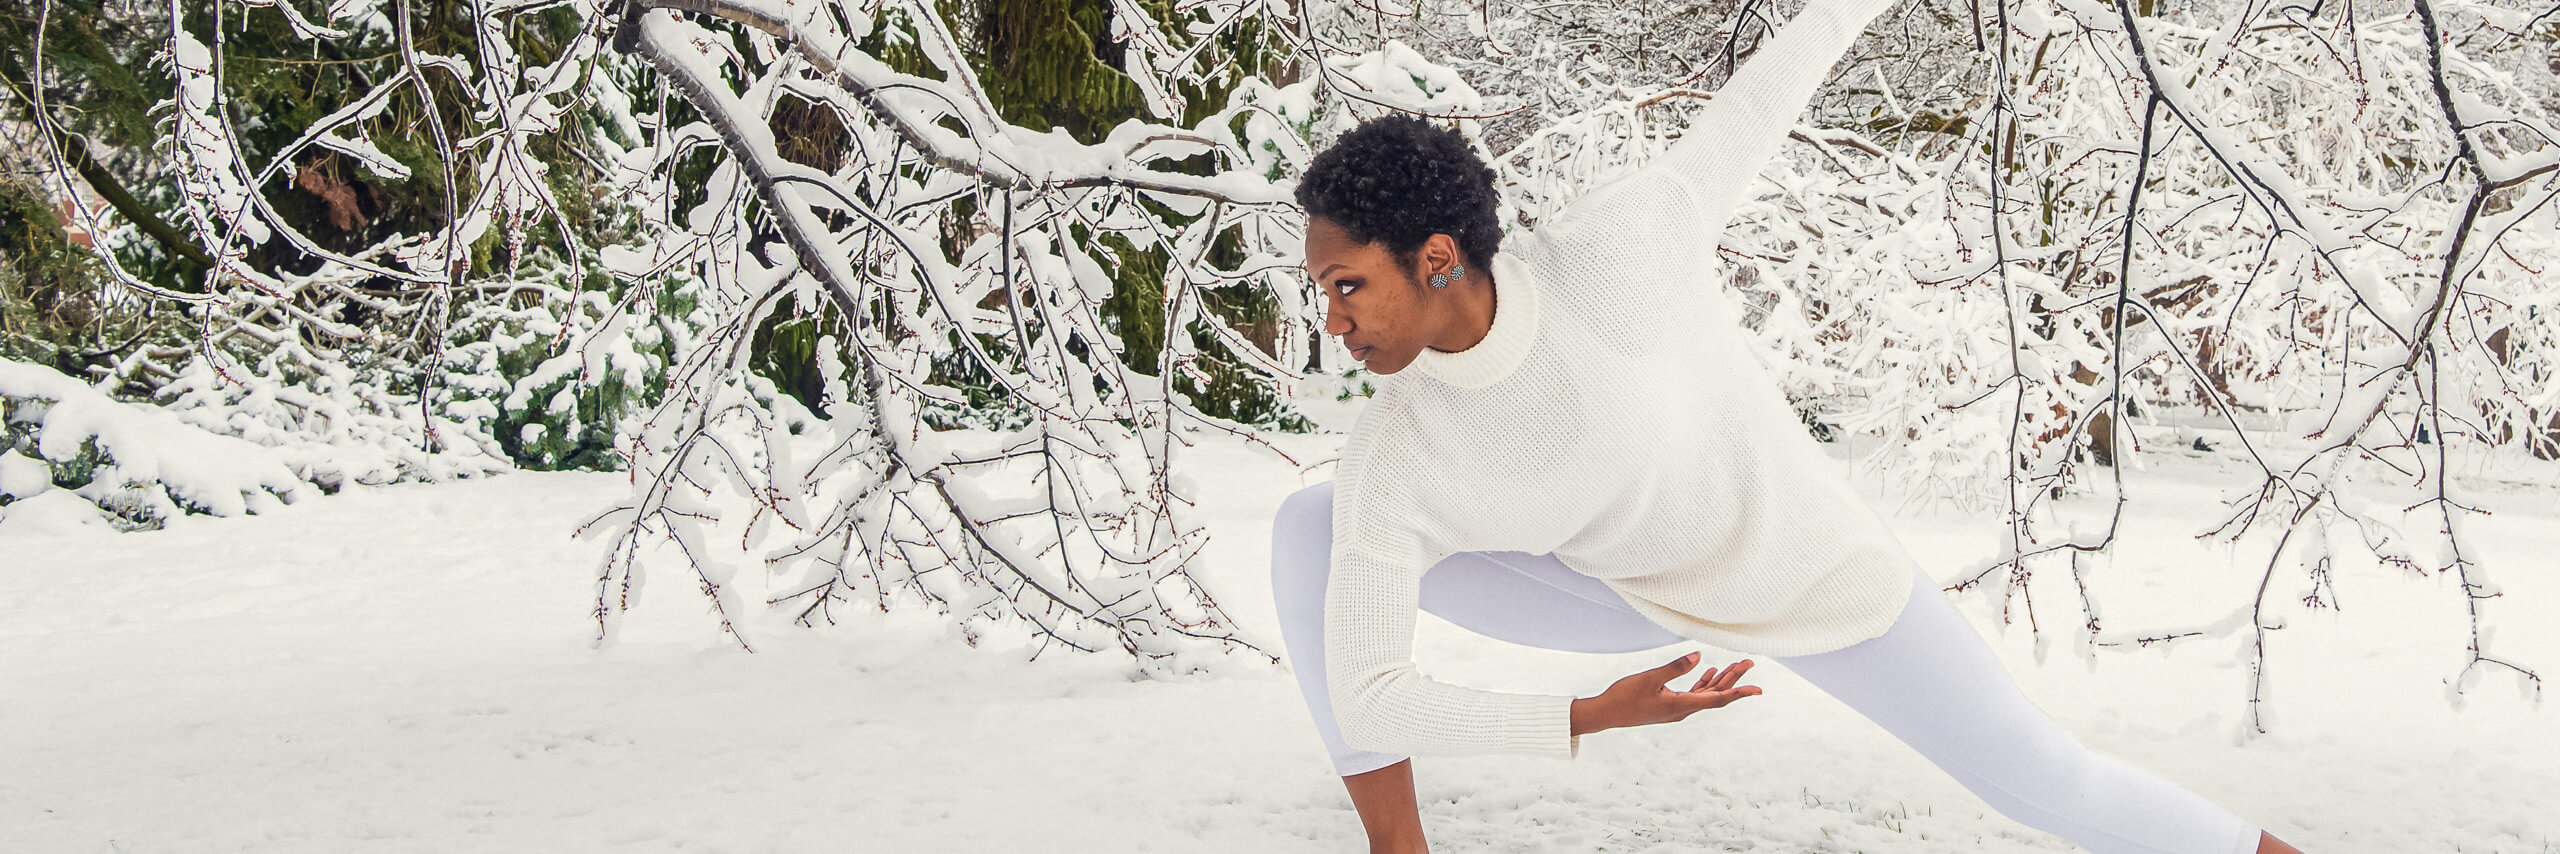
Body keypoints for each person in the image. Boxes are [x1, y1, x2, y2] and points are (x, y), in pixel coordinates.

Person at [1268, 0, 2310, 850]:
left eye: (1348, 284)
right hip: (1623, 595)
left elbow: (1765, 95)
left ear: (1438, 258)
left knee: (2043, 778)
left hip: (1812, 570)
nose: (1334, 320)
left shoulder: (1619, 253)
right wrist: (1587, 715)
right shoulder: (1398, 450)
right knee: (1309, 525)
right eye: (1322, 291)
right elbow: (1370, 697)